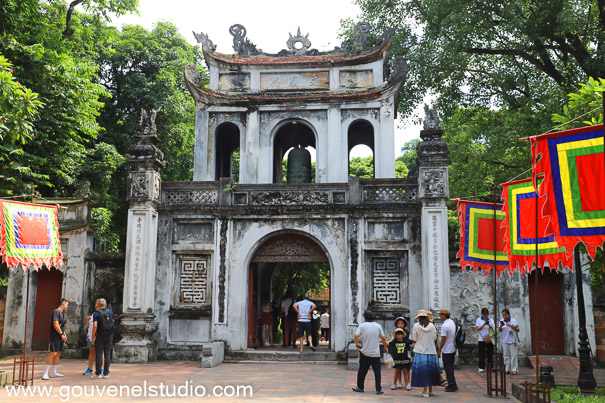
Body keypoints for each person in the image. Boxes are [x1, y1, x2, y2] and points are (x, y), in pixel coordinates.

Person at [352, 309, 389, 395]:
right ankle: (378, 389)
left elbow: (356, 335)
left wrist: (357, 346)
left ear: (364, 317)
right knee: (377, 372)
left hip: (365, 352)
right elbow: (383, 338)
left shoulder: (362, 326)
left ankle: (360, 387)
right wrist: (385, 347)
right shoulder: (378, 326)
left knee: (362, 371)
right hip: (375, 353)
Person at [410, 309, 441, 398]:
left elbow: (415, 339)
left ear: (419, 318)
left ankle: (425, 391)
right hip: (431, 351)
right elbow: (434, 338)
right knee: (430, 371)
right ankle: (430, 390)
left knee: (423, 372)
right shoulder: (432, 326)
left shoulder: (416, 326)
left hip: (420, 351)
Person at [42, 298, 69, 380]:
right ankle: (45, 373)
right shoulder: (56, 312)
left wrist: (64, 334)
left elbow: (62, 325)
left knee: (58, 353)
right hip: (55, 335)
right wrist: (61, 334)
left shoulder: (63, 314)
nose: (67, 306)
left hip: (61, 335)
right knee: (53, 353)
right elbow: (56, 324)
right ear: (63, 303)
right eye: (67, 304)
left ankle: (54, 372)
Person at [91, 298, 115, 379]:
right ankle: (106, 373)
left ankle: (98, 373)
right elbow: (112, 321)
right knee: (107, 354)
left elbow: (95, 325)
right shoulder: (110, 312)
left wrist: (93, 336)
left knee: (99, 354)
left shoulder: (96, 314)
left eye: (96, 303)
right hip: (109, 335)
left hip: (100, 335)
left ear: (97, 305)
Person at [437, 308, 458, 392]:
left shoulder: (445, 326)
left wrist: (439, 350)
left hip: (447, 349)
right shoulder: (451, 322)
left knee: (448, 368)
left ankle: (452, 385)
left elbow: (443, 339)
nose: (440, 316)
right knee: (450, 367)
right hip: (452, 347)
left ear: (444, 315)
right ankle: (452, 384)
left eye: (441, 314)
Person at [499, 308, 520, 375]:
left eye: (505, 315)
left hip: (512, 340)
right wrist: (501, 326)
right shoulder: (502, 321)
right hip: (505, 340)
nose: (504, 316)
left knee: (513, 355)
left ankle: (514, 369)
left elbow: (518, 329)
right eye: (503, 315)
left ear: (508, 314)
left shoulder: (513, 321)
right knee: (505, 355)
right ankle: (506, 369)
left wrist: (511, 325)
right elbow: (499, 330)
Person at [83, 311, 102, 376]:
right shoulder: (93, 314)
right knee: (91, 352)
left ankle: (101, 369)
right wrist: (87, 320)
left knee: (101, 352)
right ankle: (90, 368)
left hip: (99, 335)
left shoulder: (103, 314)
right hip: (91, 336)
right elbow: (89, 325)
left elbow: (95, 326)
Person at [476, 307, 495, 373]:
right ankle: (481, 367)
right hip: (481, 339)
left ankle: (490, 366)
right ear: (482, 314)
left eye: (486, 314)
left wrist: (489, 325)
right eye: (484, 314)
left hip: (490, 338)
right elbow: (477, 329)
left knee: (490, 353)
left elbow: (493, 328)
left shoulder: (491, 320)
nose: (485, 316)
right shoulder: (479, 320)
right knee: (481, 354)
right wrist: (484, 324)